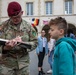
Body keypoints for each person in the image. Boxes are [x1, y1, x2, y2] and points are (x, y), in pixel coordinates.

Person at [0, 1, 37, 75]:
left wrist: (23, 44)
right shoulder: (2, 27)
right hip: (6, 66)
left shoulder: (28, 27)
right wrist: (5, 48)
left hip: (23, 65)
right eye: (13, 18)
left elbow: (35, 42)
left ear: (22, 13)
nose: (15, 19)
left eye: (18, 17)